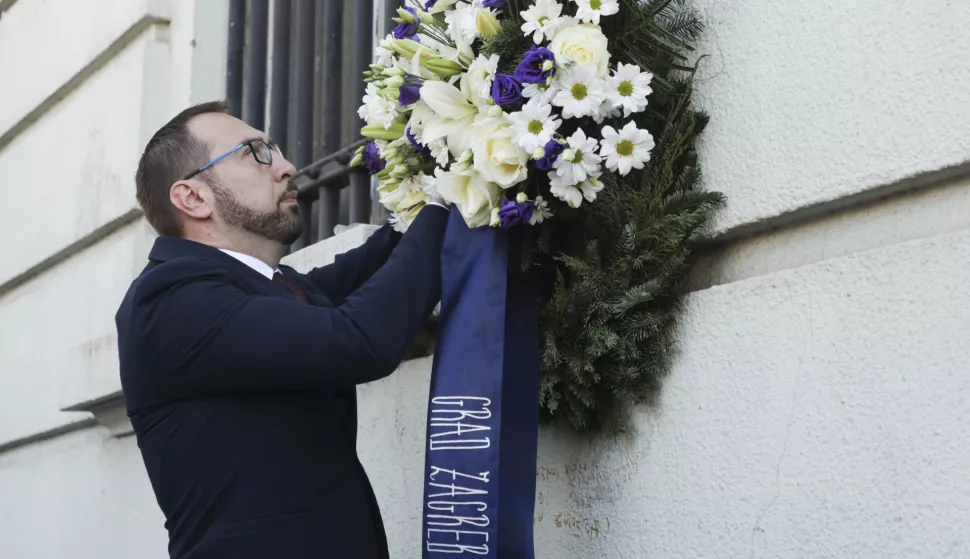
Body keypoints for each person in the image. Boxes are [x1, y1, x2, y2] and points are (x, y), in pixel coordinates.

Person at [115, 101, 448, 559]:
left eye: (275, 148)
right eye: (255, 153)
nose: (287, 167)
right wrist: (446, 201)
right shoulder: (172, 299)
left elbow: (372, 269)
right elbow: (359, 338)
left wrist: (452, 165)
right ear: (193, 197)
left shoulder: (271, 287)